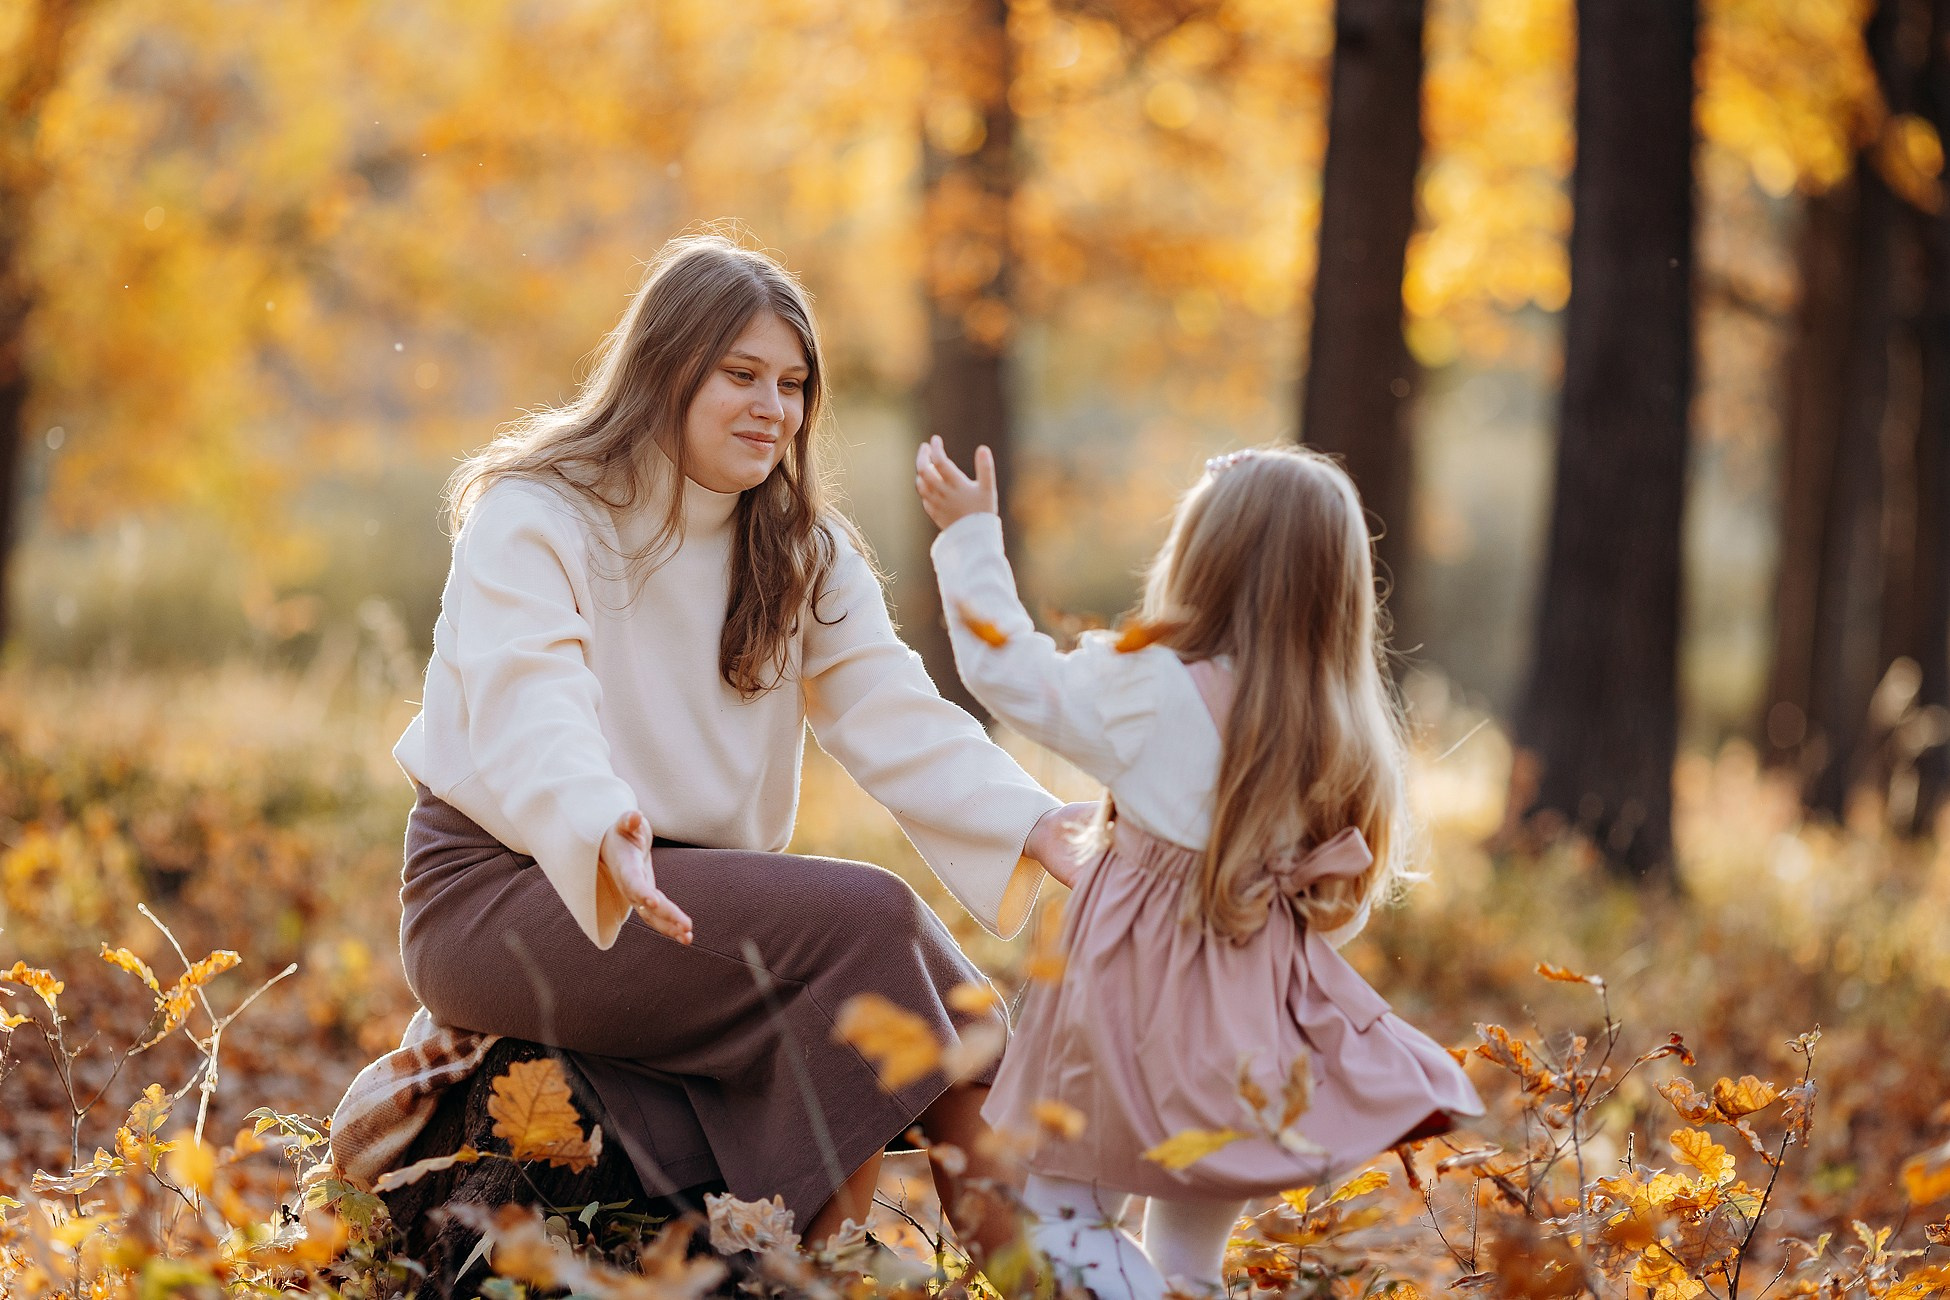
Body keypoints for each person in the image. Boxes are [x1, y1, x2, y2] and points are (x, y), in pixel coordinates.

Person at [348, 233, 1092, 1256]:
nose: (772, 408)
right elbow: (531, 695)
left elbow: (892, 709)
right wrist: (596, 820)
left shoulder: (802, 547)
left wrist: (1035, 820)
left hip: (688, 892)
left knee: (910, 980)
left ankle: (1035, 1269)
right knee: (875, 920)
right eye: (740, 374)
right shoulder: (538, 510)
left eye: (792, 384)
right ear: (664, 372)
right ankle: (872, 1268)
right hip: (511, 889)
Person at [915, 440, 1485, 1297]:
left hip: (1122, 1016)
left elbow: (1009, 672)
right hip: (1250, 1030)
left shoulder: (1150, 688)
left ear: (1201, 560)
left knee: (1065, 1221)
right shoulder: (1345, 733)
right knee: (1188, 1260)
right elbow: (1342, 909)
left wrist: (969, 538)